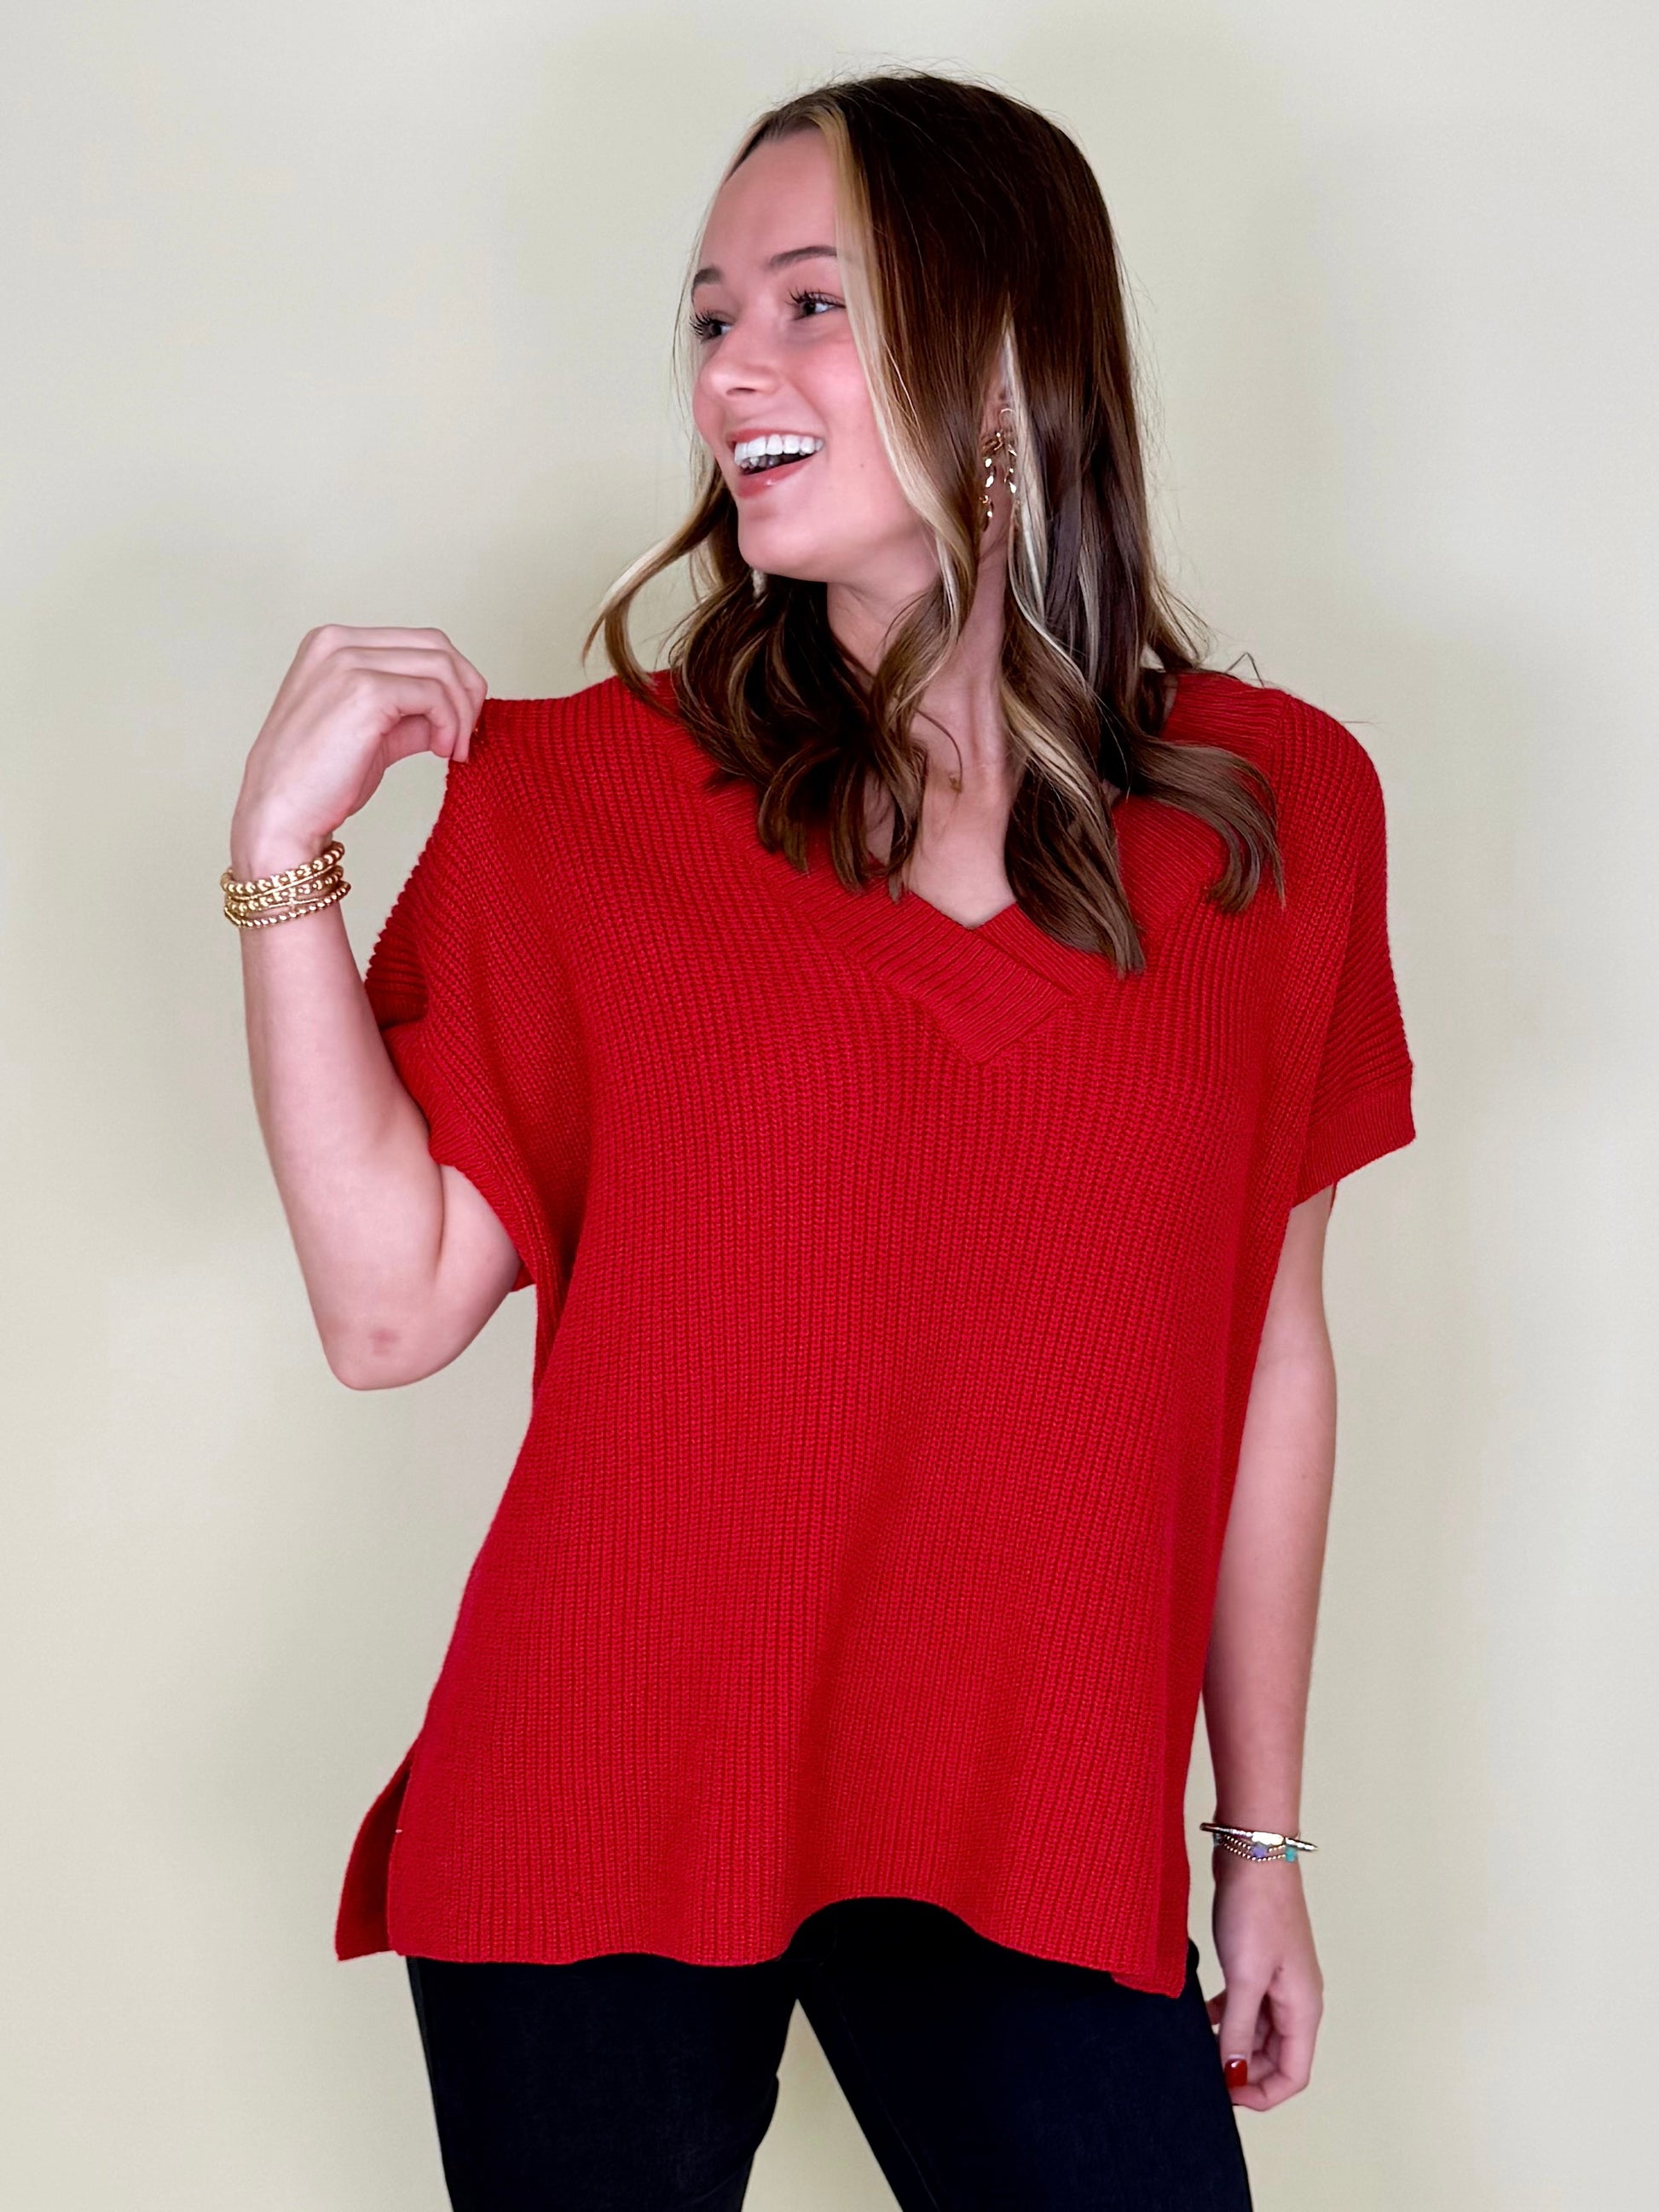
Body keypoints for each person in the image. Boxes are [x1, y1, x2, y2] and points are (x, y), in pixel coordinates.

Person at [225, 68, 1415, 2212]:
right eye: (706, 318)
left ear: (1006, 347)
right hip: (601, 1794)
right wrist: (279, 871)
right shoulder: (575, 805)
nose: (728, 374)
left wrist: (1257, 1841)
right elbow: (389, 1313)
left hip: (1031, 1810)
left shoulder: (1278, 814)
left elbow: (1270, 1356)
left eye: (805, 305)